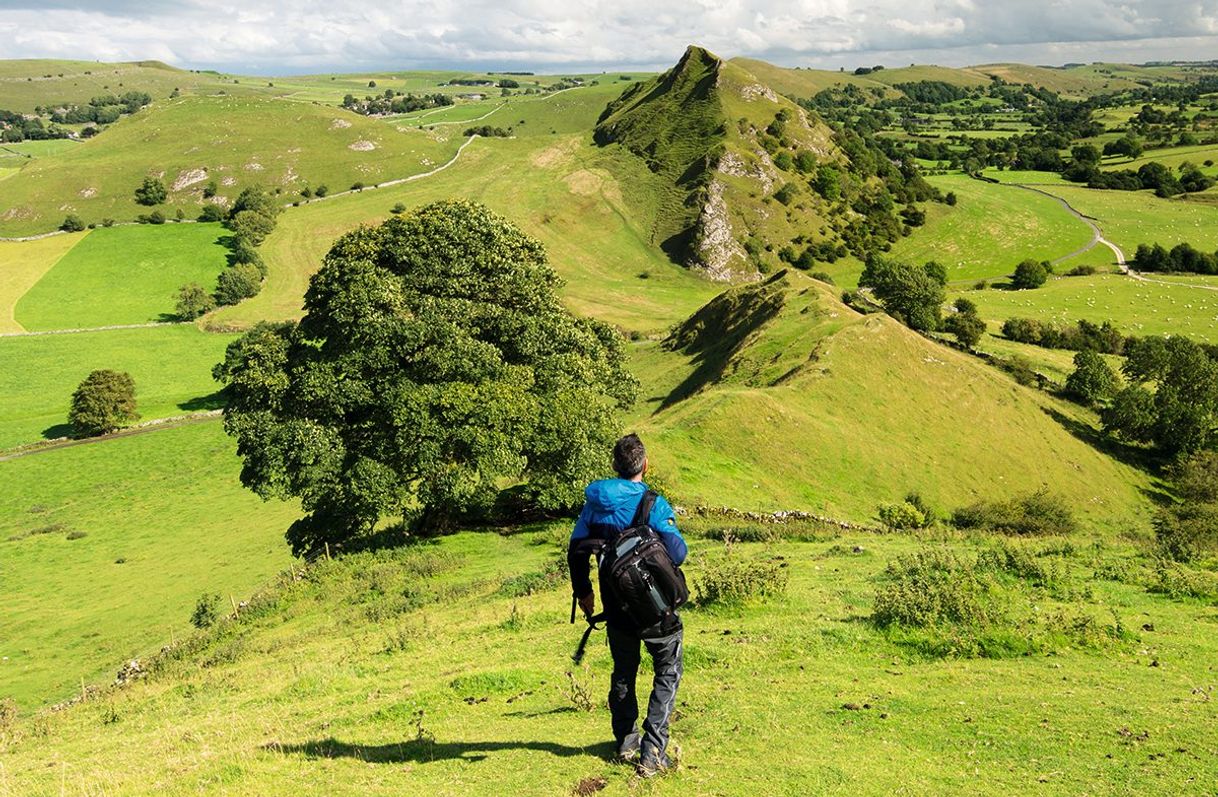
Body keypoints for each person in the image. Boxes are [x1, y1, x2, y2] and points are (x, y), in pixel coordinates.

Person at [567, 433, 687, 778]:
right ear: (645, 465)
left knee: (624, 670)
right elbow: (678, 553)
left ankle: (626, 741)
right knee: (668, 668)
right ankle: (653, 752)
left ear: (614, 466)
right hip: (654, 606)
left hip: (616, 605)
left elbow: (576, 551)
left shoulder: (594, 506)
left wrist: (584, 592)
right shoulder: (652, 503)